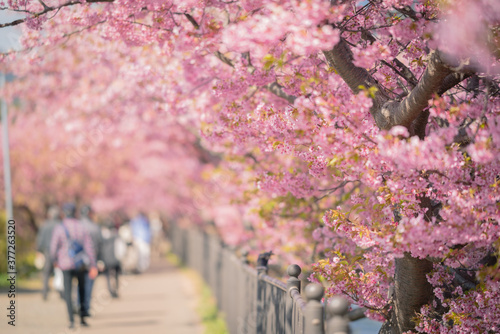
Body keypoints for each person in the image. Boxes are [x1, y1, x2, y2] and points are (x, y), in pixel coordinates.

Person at [50, 203, 97, 329]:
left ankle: (71, 321)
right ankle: (82, 319)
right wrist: (93, 263)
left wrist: (53, 260)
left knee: (68, 292)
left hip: (65, 265)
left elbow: (53, 246)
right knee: (82, 290)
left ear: (64, 213)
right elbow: (89, 246)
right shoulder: (81, 226)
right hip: (80, 264)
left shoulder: (59, 227)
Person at [78, 205, 102, 317]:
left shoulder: (76, 226)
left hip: (78, 261)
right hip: (92, 260)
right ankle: (86, 307)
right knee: (89, 285)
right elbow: (100, 244)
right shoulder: (94, 227)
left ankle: (78, 304)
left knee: (79, 285)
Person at [36, 205, 61, 300]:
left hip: (47, 252)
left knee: (46, 273)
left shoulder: (44, 225)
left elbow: (40, 239)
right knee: (58, 272)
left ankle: (45, 292)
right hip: (58, 252)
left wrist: (38, 251)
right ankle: (60, 292)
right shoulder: (60, 225)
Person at [100, 223, 126, 297]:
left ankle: (110, 290)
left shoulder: (102, 237)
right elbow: (121, 248)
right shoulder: (116, 236)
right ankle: (116, 289)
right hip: (115, 259)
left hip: (106, 259)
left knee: (108, 276)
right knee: (116, 275)